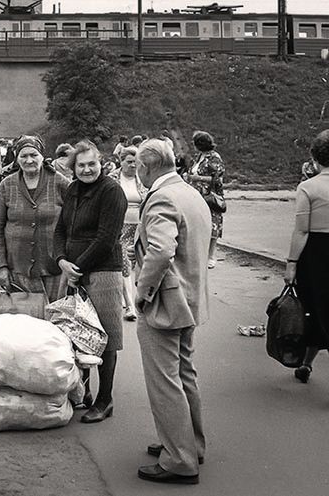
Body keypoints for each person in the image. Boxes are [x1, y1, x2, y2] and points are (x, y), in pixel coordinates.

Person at [132, 139, 210, 485]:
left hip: (165, 302)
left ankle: (179, 459)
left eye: (138, 168)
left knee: (164, 381)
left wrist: (142, 291)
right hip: (191, 298)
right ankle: (189, 444)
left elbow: (161, 252)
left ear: (146, 168)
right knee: (184, 374)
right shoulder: (190, 193)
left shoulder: (161, 197)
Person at [53, 139, 127, 424]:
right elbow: (61, 229)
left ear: (101, 163)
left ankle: (104, 399)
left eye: (92, 164)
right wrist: (61, 260)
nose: (87, 169)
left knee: (105, 337)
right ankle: (81, 392)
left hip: (103, 272)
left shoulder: (112, 191)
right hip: (72, 271)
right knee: (76, 333)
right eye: (81, 165)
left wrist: (77, 267)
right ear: (73, 168)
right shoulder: (73, 189)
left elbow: (106, 239)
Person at [0, 135, 70, 303]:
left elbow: (75, 222)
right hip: (18, 269)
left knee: (54, 322)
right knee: (25, 324)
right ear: (17, 159)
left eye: (33, 155)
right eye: (23, 156)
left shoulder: (60, 183)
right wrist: (1, 267)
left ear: (42, 156)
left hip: (54, 267)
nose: (29, 160)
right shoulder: (7, 185)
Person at [284, 130, 329, 383]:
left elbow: (301, 230)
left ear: (314, 159)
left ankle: (307, 364)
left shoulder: (308, 187)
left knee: (314, 310)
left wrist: (291, 265)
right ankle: (306, 365)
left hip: (317, 255)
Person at [110, 146, 145, 321]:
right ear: (121, 162)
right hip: (119, 227)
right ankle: (131, 306)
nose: (132, 165)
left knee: (135, 265)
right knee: (124, 265)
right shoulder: (113, 178)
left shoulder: (143, 180)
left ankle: (139, 300)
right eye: (129, 162)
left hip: (140, 228)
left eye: (135, 162)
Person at [184, 131, 225, 269]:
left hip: (209, 196)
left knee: (213, 223)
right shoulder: (199, 156)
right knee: (197, 223)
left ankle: (211, 256)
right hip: (196, 195)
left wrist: (197, 178)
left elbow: (218, 179)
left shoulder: (214, 157)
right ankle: (199, 254)